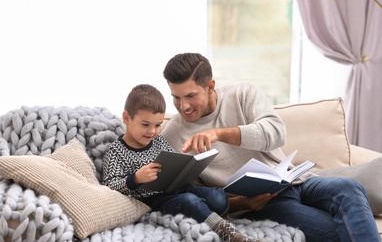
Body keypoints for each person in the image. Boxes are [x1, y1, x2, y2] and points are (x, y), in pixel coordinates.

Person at [161, 53, 381, 242]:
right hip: (264, 204)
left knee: (350, 188)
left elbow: (276, 133)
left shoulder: (243, 94)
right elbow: (192, 195)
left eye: (190, 96)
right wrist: (241, 203)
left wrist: (219, 134)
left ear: (210, 86)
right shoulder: (172, 135)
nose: (184, 106)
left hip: (295, 181)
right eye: (176, 98)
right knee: (342, 231)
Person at [102, 84, 271, 242]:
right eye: (145, 125)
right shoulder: (116, 152)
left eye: (158, 125)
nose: (152, 131)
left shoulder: (158, 141)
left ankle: (210, 213)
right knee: (189, 201)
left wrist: (187, 168)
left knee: (217, 197)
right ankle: (231, 235)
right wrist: (136, 179)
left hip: (175, 188)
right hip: (152, 200)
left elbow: (172, 163)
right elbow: (109, 187)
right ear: (126, 118)